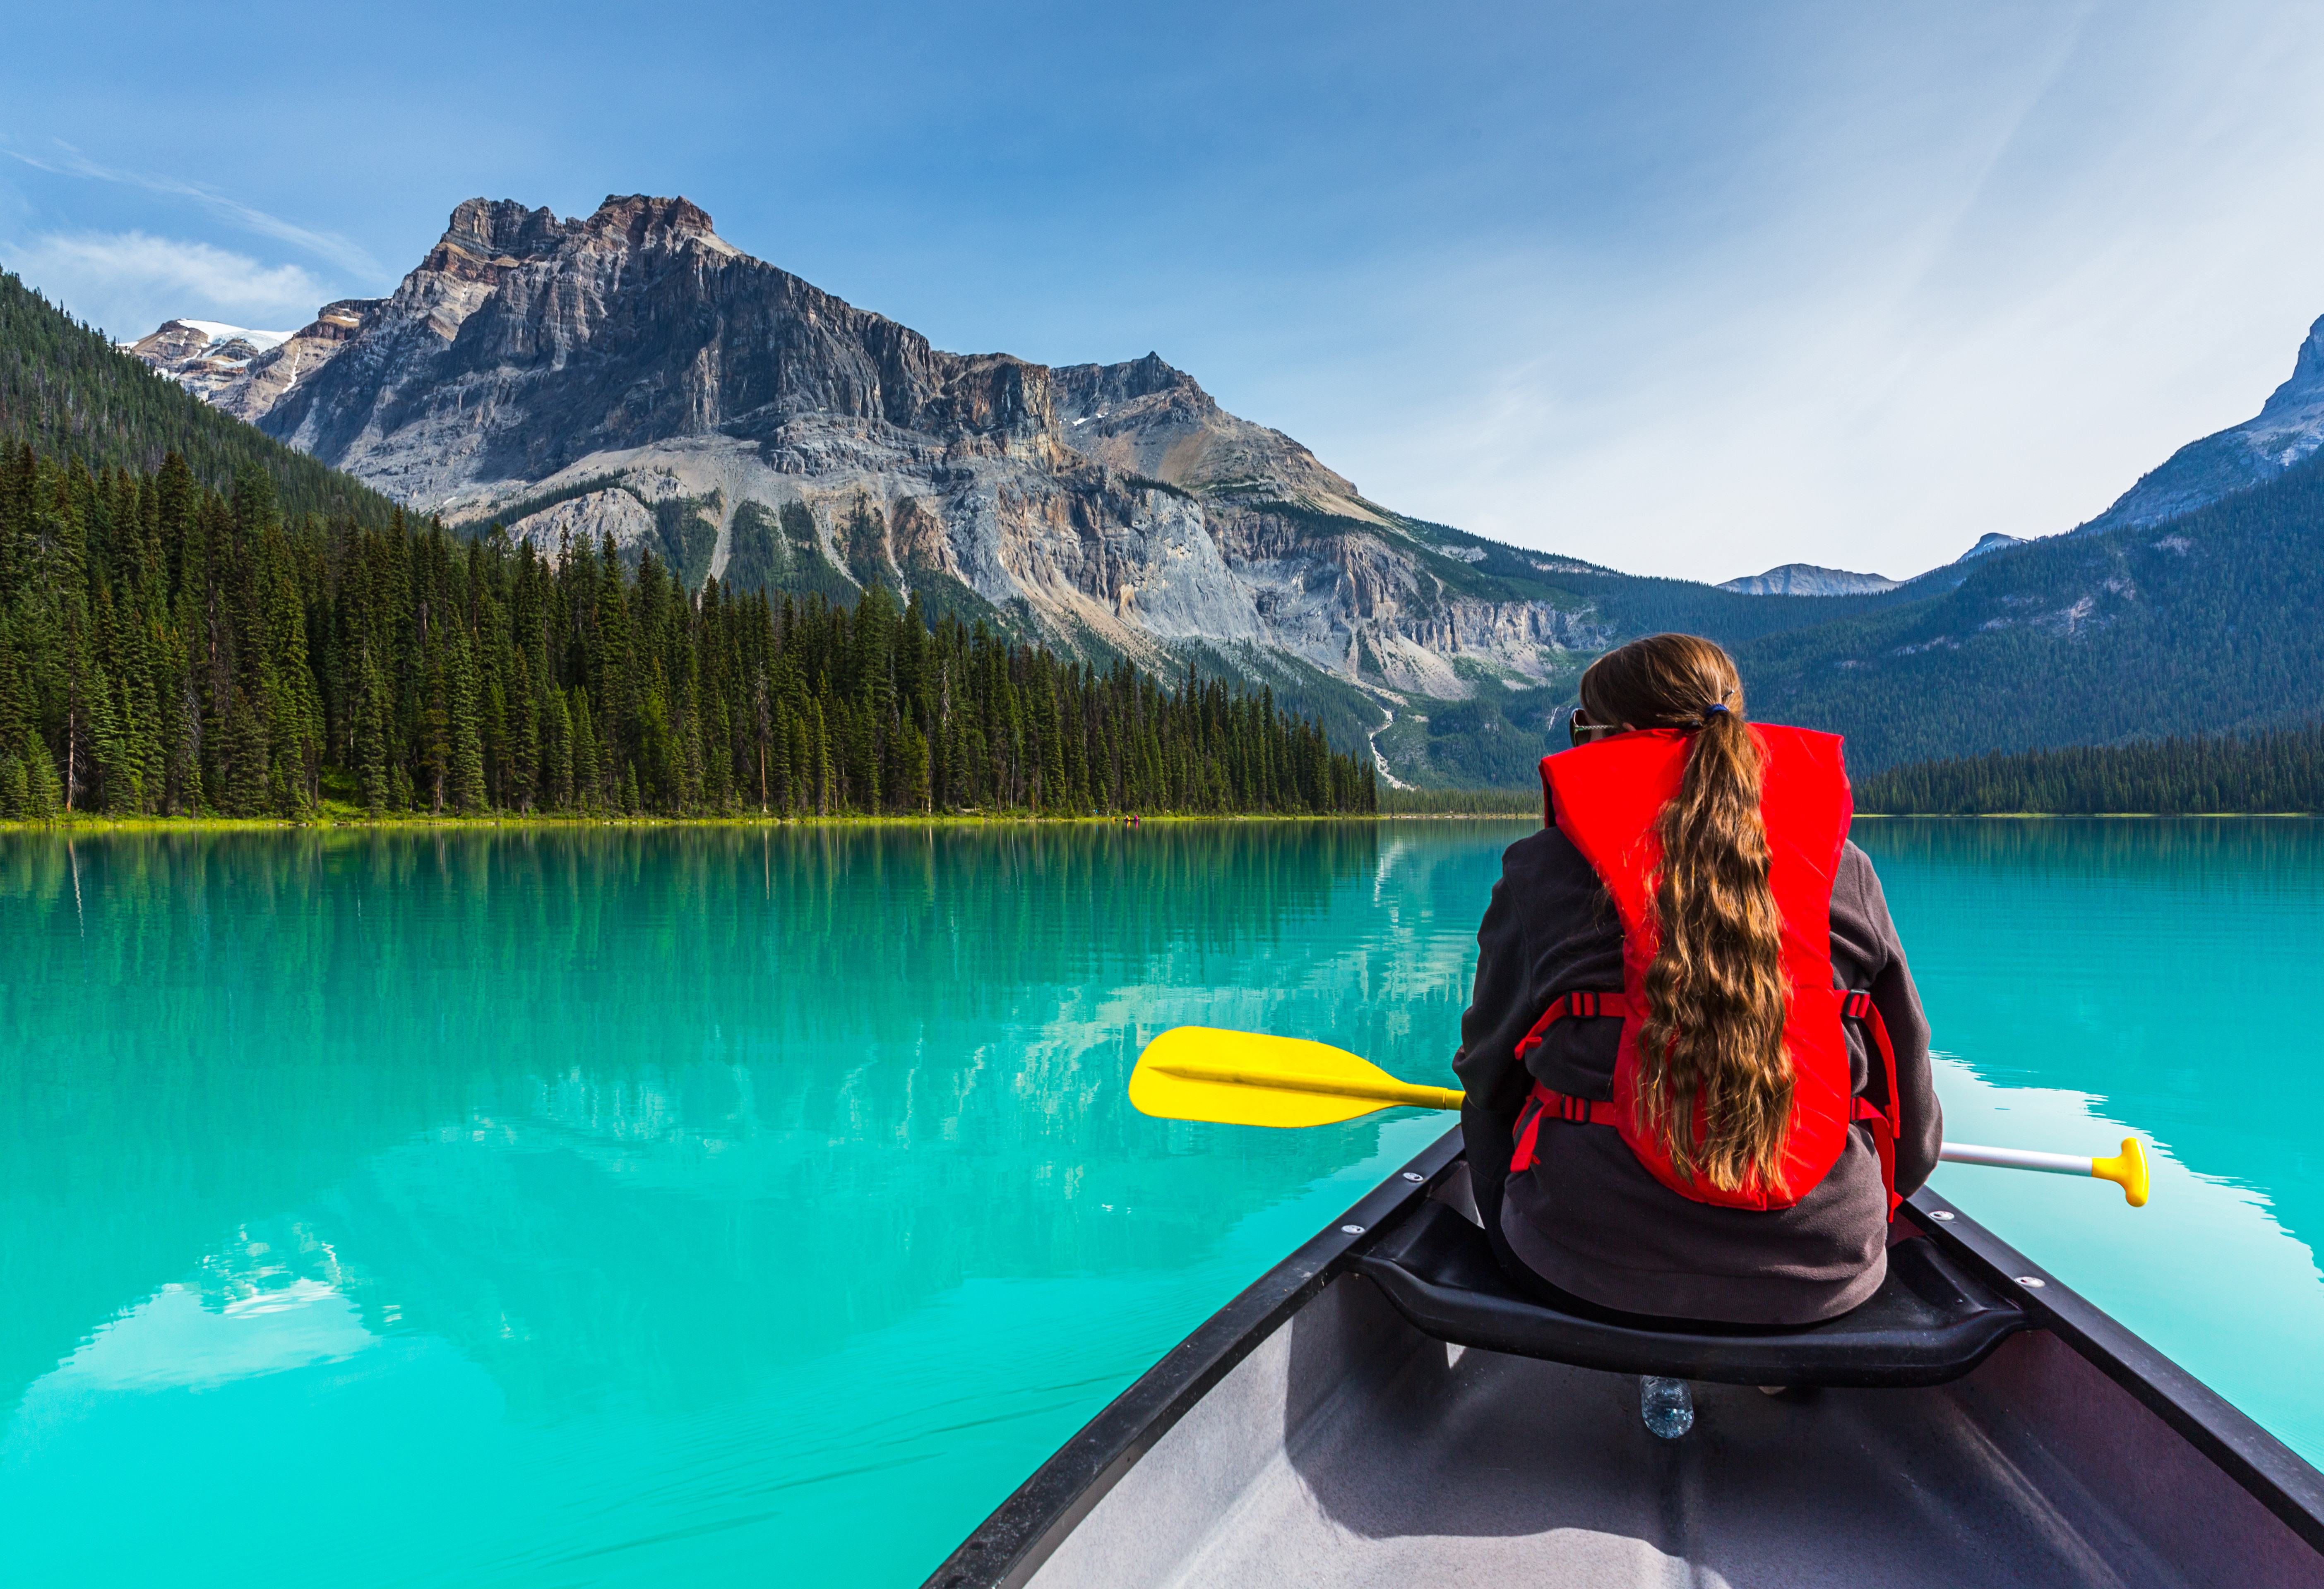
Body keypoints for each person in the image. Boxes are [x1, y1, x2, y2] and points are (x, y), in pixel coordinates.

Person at [1455, 633, 1940, 1327]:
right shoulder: (1846, 871)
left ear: (1614, 739)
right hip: (1825, 1277)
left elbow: (1489, 1081)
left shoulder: (1542, 871)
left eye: (1580, 730)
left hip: (1585, 1268)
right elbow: (1914, 1127)